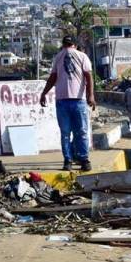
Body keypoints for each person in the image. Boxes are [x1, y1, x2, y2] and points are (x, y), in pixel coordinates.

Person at [40, 35, 95, 171]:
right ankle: (84, 160)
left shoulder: (58, 57)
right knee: (81, 132)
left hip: (62, 100)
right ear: (74, 45)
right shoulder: (82, 56)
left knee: (65, 133)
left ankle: (68, 160)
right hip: (78, 100)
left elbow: (53, 77)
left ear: (63, 45)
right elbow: (89, 76)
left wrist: (44, 93)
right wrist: (91, 95)